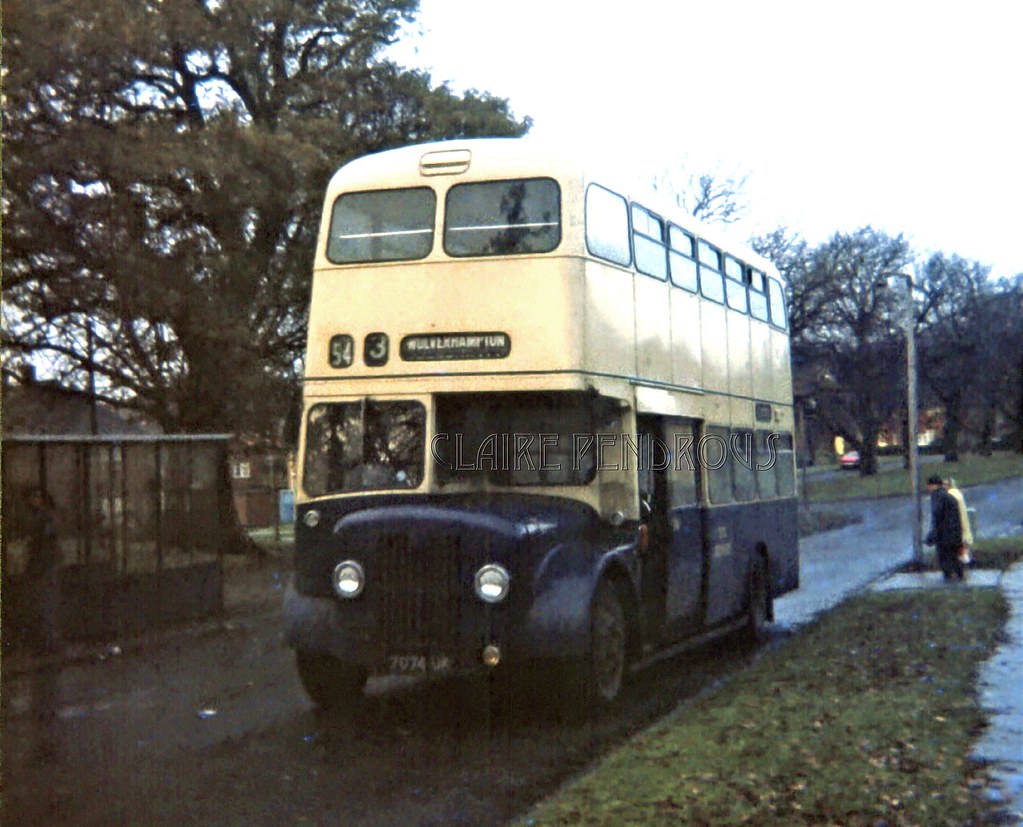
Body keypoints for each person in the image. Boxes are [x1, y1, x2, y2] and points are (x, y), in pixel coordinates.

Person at [925, 474, 964, 581]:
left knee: (945, 558)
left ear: (933, 486)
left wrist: (932, 535)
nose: (927, 488)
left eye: (928, 486)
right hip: (954, 532)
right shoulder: (948, 496)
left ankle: (950, 580)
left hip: (944, 534)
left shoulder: (937, 497)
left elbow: (938, 516)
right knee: (955, 557)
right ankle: (960, 576)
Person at [944, 477, 973, 567]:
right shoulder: (957, 494)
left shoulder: (951, 495)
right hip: (962, 525)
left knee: (959, 549)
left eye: (945, 484)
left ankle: (962, 566)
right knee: (962, 546)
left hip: (957, 527)